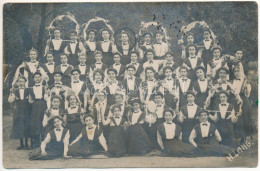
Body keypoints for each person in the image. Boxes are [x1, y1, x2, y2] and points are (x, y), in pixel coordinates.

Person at [230, 66, 256, 144]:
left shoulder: (245, 82)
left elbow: (247, 95)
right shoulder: (232, 82)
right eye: (235, 71)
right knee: (237, 119)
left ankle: (243, 137)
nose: (237, 73)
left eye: (238, 71)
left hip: (243, 101)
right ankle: (237, 136)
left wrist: (246, 88)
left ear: (241, 72)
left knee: (244, 119)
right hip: (234, 101)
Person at [8, 76, 31, 150]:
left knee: (26, 126)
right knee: (20, 126)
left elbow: (31, 101)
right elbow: (10, 100)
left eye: (22, 81)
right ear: (17, 83)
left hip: (27, 111)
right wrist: (11, 93)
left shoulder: (28, 90)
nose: (21, 83)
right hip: (18, 111)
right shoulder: (15, 91)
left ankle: (27, 144)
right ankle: (21, 144)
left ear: (25, 82)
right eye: (19, 81)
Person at [29, 72, 48, 148]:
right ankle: (36, 142)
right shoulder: (31, 88)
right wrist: (33, 103)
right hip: (35, 105)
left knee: (43, 121)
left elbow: (46, 98)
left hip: (43, 104)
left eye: (38, 77)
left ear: (41, 78)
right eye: (35, 77)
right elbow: (30, 100)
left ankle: (43, 140)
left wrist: (47, 92)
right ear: (33, 79)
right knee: (35, 123)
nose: (37, 78)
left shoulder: (44, 87)